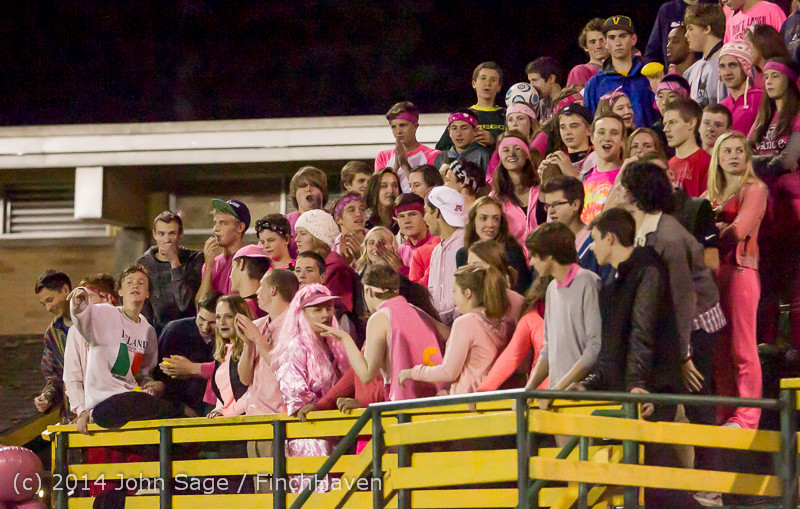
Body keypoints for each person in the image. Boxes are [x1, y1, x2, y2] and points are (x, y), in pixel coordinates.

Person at [576, 208, 691, 508]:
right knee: (647, 482)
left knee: (659, 482)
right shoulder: (613, 283)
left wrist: (638, 386)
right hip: (629, 391)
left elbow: (643, 331)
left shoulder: (647, 269)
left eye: (595, 239)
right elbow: (611, 348)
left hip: (650, 391)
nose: (592, 247)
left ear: (611, 238)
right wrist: (589, 384)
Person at [621, 161, 724, 477]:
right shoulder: (642, 230)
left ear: (637, 193)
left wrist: (684, 356)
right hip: (675, 329)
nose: (620, 191)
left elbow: (683, 299)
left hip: (696, 328)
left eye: (626, 186)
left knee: (698, 404)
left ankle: (713, 482)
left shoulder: (668, 237)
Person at [69, 265, 185, 429]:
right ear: (120, 291)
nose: (135, 286)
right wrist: (79, 301)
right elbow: (83, 318)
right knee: (158, 407)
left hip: (131, 399)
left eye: (140, 283)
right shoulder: (107, 313)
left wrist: (150, 384)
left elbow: (143, 372)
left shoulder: (148, 330)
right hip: (104, 402)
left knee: (161, 410)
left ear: (148, 293)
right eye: (129, 282)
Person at [706, 131, 766, 429]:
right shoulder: (710, 195)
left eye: (739, 150)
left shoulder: (755, 189)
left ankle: (747, 416)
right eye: (726, 150)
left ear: (747, 156)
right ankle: (725, 411)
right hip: (714, 274)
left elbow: (738, 230)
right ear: (717, 156)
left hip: (741, 272)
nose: (733, 156)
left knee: (743, 347)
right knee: (719, 349)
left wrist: (711, 231)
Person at [314, 264, 444, 402]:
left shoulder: (379, 318)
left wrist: (345, 338)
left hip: (403, 402)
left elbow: (367, 374)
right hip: (434, 396)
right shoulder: (415, 310)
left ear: (369, 291)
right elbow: (448, 334)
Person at [270, 284, 349, 488]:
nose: (325, 315)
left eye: (329, 308)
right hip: (309, 435)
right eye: (317, 310)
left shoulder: (334, 347)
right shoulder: (296, 347)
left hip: (335, 433)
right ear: (302, 314)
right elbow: (296, 397)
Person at [523, 222, 602, 408]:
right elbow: (548, 348)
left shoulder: (588, 282)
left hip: (582, 397)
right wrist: (529, 389)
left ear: (549, 255)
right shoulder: (551, 288)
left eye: (534, 256)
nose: (531, 262)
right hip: (557, 398)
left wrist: (556, 390)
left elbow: (594, 347)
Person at [750, 57, 800, 348]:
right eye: (765, 76)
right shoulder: (763, 119)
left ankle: (796, 348)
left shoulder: (797, 116)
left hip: (791, 210)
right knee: (767, 282)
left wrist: (763, 163)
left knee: (794, 284)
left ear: (790, 81)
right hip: (765, 212)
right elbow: (745, 156)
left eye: (774, 76)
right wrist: (768, 163)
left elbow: (789, 159)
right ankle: (767, 345)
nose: (767, 81)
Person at [398, 264, 509, 394]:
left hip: (468, 404)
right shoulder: (498, 322)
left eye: (454, 291)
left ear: (467, 293)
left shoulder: (465, 323)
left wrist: (413, 372)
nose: (453, 297)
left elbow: (448, 372)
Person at [233, 269, 297, 484]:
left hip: (280, 423)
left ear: (273, 290)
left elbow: (286, 372)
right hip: (255, 421)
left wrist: (258, 339)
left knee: (280, 492)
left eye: (261, 286)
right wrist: (249, 343)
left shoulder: (295, 325)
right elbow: (244, 378)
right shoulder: (258, 325)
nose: (257, 292)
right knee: (261, 497)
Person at [477, 275, 549, 392]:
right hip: (539, 395)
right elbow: (512, 355)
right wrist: (484, 389)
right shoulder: (530, 318)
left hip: (571, 392)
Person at [585, 16, 659, 128]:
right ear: (605, 43)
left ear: (633, 39)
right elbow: (592, 125)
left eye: (623, 36)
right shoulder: (594, 84)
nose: (618, 42)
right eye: (612, 37)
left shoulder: (649, 76)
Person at [136, 211, 203, 335]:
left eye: (172, 233)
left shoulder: (195, 260)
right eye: (161, 234)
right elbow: (143, 312)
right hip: (157, 337)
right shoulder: (143, 265)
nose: (167, 240)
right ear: (154, 235)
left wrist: (174, 262)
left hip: (190, 334)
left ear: (180, 235)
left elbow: (185, 305)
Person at [157, 291, 220, 417]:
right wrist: (180, 407)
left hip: (214, 408)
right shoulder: (175, 331)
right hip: (179, 408)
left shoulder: (227, 336)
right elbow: (161, 377)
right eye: (201, 319)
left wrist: (192, 368)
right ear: (197, 310)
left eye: (212, 323)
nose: (205, 327)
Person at [456, 196, 532, 293]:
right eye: (483, 218)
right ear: (473, 221)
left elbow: (520, 291)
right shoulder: (462, 254)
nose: (491, 224)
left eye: (496, 219)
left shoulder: (512, 251)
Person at [294, 209, 359, 321]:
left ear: (318, 238)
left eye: (303, 234)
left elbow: (337, 313)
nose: (296, 239)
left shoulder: (336, 270)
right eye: (296, 234)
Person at [541, 175, 605, 276]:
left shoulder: (594, 242)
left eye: (556, 204)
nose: (551, 211)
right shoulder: (550, 244)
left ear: (575, 205)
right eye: (548, 206)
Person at [437, 62, 507, 151]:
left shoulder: (508, 115)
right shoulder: (462, 115)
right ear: (474, 83)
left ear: (499, 87)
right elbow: (441, 149)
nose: (488, 83)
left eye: (493, 80)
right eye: (483, 78)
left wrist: (494, 141)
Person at [491, 132, 543, 247]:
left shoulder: (542, 192)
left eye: (517, 148)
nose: (511, 154)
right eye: (505, 150)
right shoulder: (495, 199)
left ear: (527, 154)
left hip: (543, 261)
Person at [204, 295, 252, 418]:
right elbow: (223, 395)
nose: (222, 322)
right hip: (227, 419)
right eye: (218, 317)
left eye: (229, 316)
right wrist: (218, 410)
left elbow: (253, 391)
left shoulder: (250, 348)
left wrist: (228, 412)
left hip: (246, 418)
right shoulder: (222, 352)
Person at [424, 186, 467, 325]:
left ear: (436, 212)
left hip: (461, 328)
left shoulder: (466, 245)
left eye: (426, 212)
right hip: (440, 329)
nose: (424, 218)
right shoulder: (436, 251)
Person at [33, 270, 72, 423]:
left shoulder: (93, 321)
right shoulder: (52, 333)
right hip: (71, 418)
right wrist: (46, 398)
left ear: (65, 290)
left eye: (50, 300)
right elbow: (54, 377)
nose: (48, 309)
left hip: (103, 413)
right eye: (44, 304)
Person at [376, 101, 440, 192]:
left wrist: (405, 165)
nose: (398, 131)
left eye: (402, 125)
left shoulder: (434, 156)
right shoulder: (383, 156)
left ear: (415, 126)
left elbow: (430, 193)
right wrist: (395, 168)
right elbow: (379, 193)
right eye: (393, 127)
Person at [197, 198, 249, 301]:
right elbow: (201, 305)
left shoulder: (251, 259)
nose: (216, 229)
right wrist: (208, 268)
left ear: (240, 227)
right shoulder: (212, 263)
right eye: (215, 223)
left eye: (223, 223)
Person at [581, 113, 625, 224]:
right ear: (592, 137)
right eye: (601, 132)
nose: (607, 138)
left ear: (622, 139)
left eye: (614, 133)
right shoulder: (582, 179)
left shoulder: (628, 178)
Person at [664, 97, 712, 196]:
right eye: (665, 124)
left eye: (672, 122)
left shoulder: (706, 163)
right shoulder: (667, 165)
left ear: (691, 123)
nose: (665, 129)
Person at [684, 3, 729, 107]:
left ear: (706, 29)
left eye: (690, 28)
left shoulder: (729, 64)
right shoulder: (690, 72)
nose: (686, 35)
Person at [538, 103, 596, 181]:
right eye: (563, 127)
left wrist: (572, 175)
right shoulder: (558, 160)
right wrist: (544, 180)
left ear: (589, 130)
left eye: (574, 126)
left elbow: (598, 191)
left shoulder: (598, 159)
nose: (567, 132)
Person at [718, 41, 764, 135]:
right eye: (722, 66)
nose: (727, 72)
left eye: (733, 65)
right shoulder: (721, 106)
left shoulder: (760, 98)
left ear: (745, 66)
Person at [645, 0, 706, 66]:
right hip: (673, 74)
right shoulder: (667, 10)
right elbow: (652, 55)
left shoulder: (713, 7)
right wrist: (659, 74)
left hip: (704, 72)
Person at [395, 193, 439, 269]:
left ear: (424, 216)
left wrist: (401, 269)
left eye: (412, 214)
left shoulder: (437, 245)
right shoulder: (401, 250)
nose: (407, 221)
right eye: (401, 216)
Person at [285, 166, 329, 236]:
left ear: (323, 192)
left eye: (315, 185)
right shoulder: (284, 223)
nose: (308, 189)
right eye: (303, 186)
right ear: (294, 194)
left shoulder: (335, 219)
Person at [229, 244, 270, 319]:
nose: (230, 276)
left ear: (241, 263)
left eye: (233, 267)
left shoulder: (240, 309)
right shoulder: (269, 305)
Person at [746, 24, 790, 88]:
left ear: (761, 44)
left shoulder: (784, 73)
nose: (745, 49)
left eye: (748, 45)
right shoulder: (753, 77)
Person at [568, 18, 608, 87]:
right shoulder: (580, 71)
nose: (598, 46)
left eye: (602, 40)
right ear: (585, 47)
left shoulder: (621, 69)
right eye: (593, 42)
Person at [330, 192, 367, 266]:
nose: (359, 214)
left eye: (362, 209)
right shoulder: (331, 248)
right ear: (338, 219)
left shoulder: (376, 238)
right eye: (351, 210)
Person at [527, 56, 565, 121]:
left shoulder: (568, 103)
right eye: (530, 81)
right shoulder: (541, 104)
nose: (531, 85)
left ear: (551, 79)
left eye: (535, 80)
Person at [364, 167, 400, 232]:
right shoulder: (365, 221)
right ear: (374, 190)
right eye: (384, 186)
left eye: (395, 185)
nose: (391, 190)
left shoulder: (404, 218)